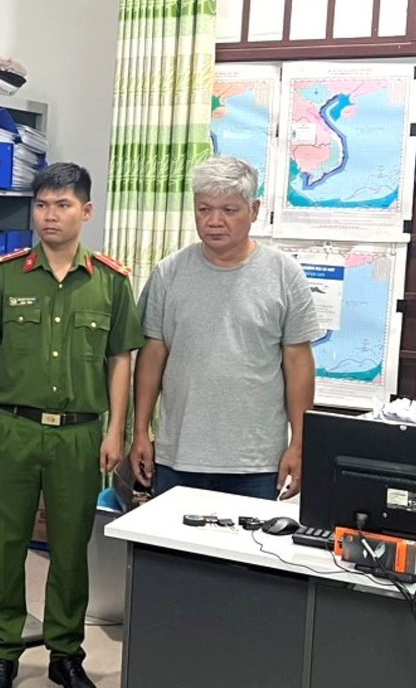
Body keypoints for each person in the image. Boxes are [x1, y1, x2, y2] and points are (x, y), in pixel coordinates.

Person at [0, 162, 145, 688]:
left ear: (85, 211)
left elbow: (120, 360)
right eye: (42, 205)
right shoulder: (6, 275)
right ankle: (4, 651)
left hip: (79, 433)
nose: (49, 215)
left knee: (69, 548)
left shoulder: (110, 282)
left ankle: (65, 652)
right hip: (13, 428)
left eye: (62, 205)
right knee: (5, 545)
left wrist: (115, 431)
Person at [128, 155, 322, 502]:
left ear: (254, 209)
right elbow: (152, 356)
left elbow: (298, 363)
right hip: (178, 454)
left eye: (229, 210)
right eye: (204, 209)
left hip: (256, 462)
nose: (214, 221)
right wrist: (140, 431)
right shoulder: (168, 273)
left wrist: (300, 443)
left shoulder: (284, 274)